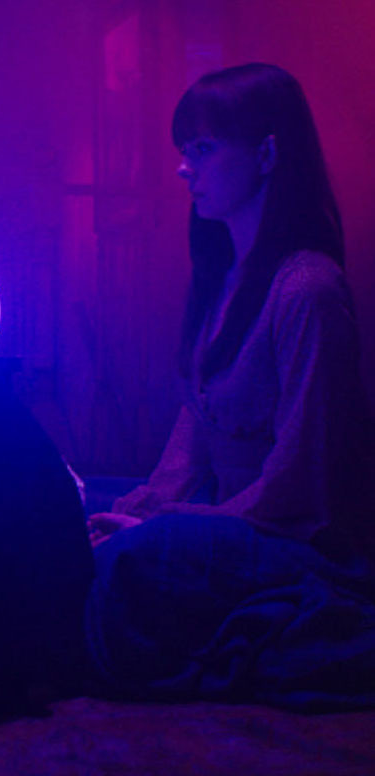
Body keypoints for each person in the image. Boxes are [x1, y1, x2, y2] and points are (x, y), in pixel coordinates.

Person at [86, 63, 375, 706]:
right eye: (184, 150)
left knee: (133, 554)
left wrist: (165, 523)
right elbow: (188, 446)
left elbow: (298, 487)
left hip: (293, 537)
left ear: (266, 155)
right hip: (224, 512)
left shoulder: (307, 290)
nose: (184, 168)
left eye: (203, 149)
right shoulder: (225, 281)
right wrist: (139, 507)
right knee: (84, 500)